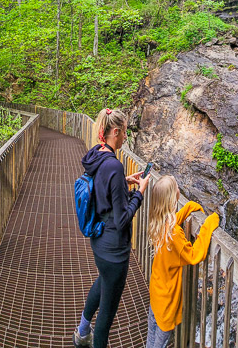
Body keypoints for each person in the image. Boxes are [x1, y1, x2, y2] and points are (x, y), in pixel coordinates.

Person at [74, 108, 151, 348]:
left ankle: (81, 331)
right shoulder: (114, 166)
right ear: (115, 132)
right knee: (106, 317)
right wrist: (140, 192)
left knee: (102, 280)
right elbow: (122, 220)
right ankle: (89, 339)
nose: (126, 137)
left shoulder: (96, 155)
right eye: (125, 132)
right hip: (113, 249)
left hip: (98, 239)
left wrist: (123, 181)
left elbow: (102, 185)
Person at [145, 175, 219, 348]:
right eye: (177, 187)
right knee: (160, 343)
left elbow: (174, 220)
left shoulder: (160, 222)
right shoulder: (175, 234)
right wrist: (209, 224)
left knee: (151, 332)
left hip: (156, 292)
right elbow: (194, 255)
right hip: (167, 298)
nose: (180, 189)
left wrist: (188, 208)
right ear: (173, 198)